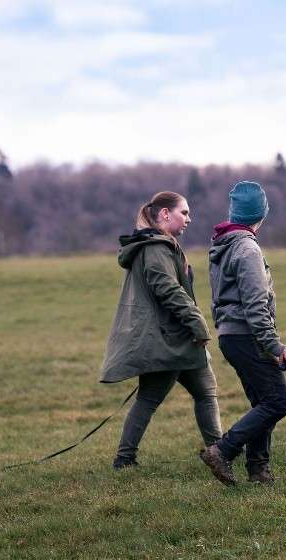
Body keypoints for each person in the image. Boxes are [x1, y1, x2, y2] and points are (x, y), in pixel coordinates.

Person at [99, 191, 221, 470]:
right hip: (168, 340)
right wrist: (197, 323)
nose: (189, 219)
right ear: (165, 213)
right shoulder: (156, 248)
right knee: (150, 398)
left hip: (180, 338)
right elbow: (168, 289)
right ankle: (124, 460)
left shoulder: (161, 245)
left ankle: (219, 452)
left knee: (206, 392)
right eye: (184, 212)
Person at [200, 181, 286, 486]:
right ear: (261, 214)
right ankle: (223, 451)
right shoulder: (247, 248)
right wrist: (274, 346)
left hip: (231, 336)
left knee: (263, 403)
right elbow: (255, 306)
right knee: (277, 403)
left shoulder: (224, 244)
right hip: (248, 336)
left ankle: (258, 469)